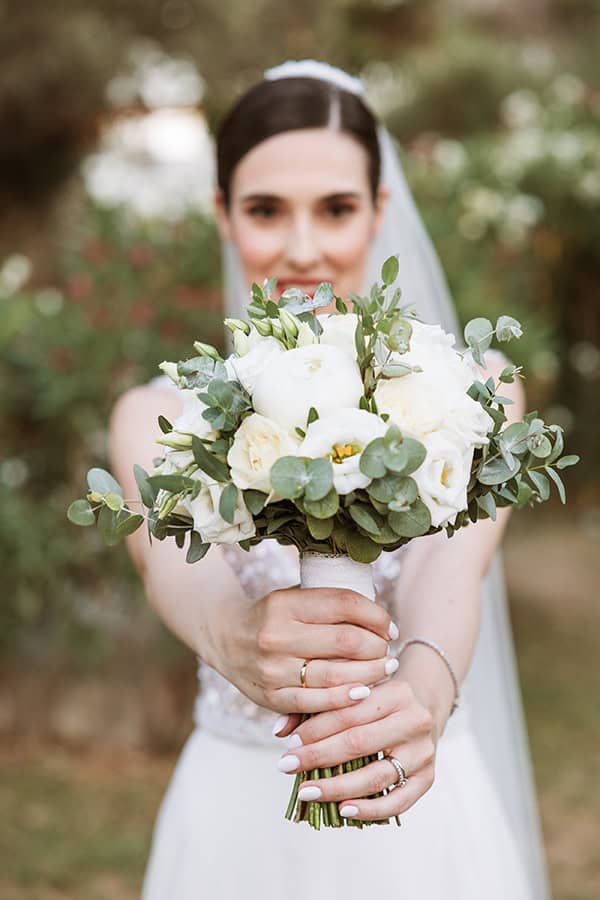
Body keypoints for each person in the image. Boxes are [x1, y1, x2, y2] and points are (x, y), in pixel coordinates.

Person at [109, 60, 552, 899]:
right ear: (223, 215)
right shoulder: (157, 415)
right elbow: (171, 572)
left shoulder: (477, 393)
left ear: (380, 212)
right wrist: (235, 639)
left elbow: (451, 572)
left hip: (416, 798)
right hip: (237, 812)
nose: (303, 248)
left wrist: (421, 691)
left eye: (337, 209)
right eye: (267, 210)